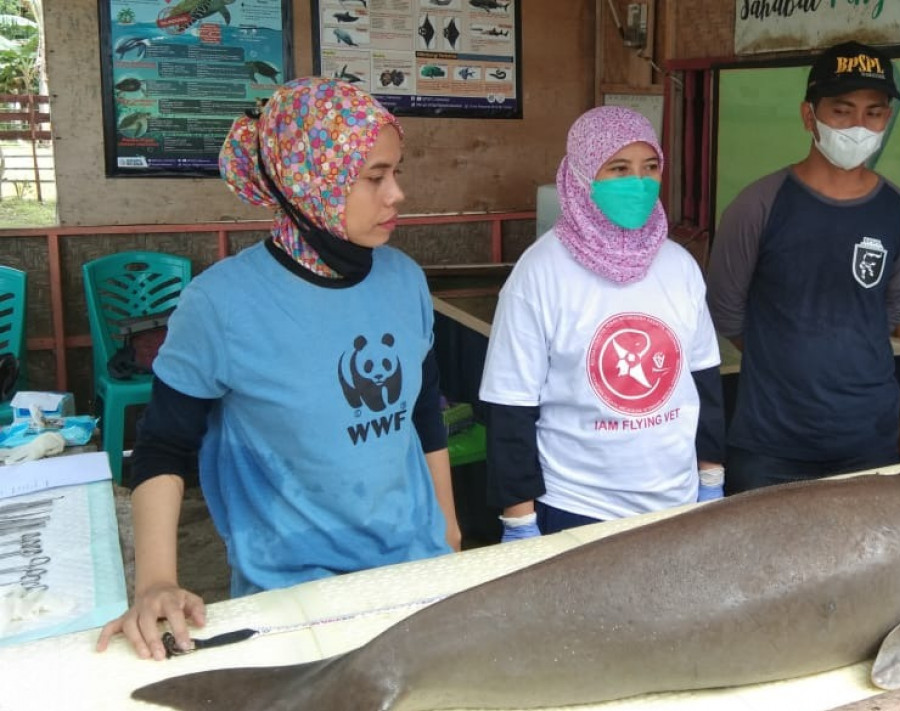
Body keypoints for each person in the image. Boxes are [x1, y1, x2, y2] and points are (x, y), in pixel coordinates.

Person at [96, 77, 461, 660]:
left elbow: (423, 411)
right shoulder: (220, 305)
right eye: (374, 177)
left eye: (396, 171)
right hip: (295, 592)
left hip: (415, 569)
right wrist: (156, 581)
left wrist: (448, 527)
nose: (397, 194)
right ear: (309, 178)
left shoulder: (404, 279)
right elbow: (163, 446)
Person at [479, 106, 725, 541]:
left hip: (678, 500)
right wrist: (519, 520)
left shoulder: (679, 265)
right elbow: (510, 405)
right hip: (577, 507)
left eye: (650, 167)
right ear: (582, 174)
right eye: (619, 168)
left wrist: (711, 479)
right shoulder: (540, 272)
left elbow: (703, 380)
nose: (639, 182)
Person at [707, 41, 900, 494]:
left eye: (874, 113)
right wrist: (786, 357)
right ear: (809, 116)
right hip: (770, 444)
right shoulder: (758, 205)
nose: (859, 126)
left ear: (887, 118)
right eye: (842, 111)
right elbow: (725, 311)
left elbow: (893, 309)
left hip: (868, 439)